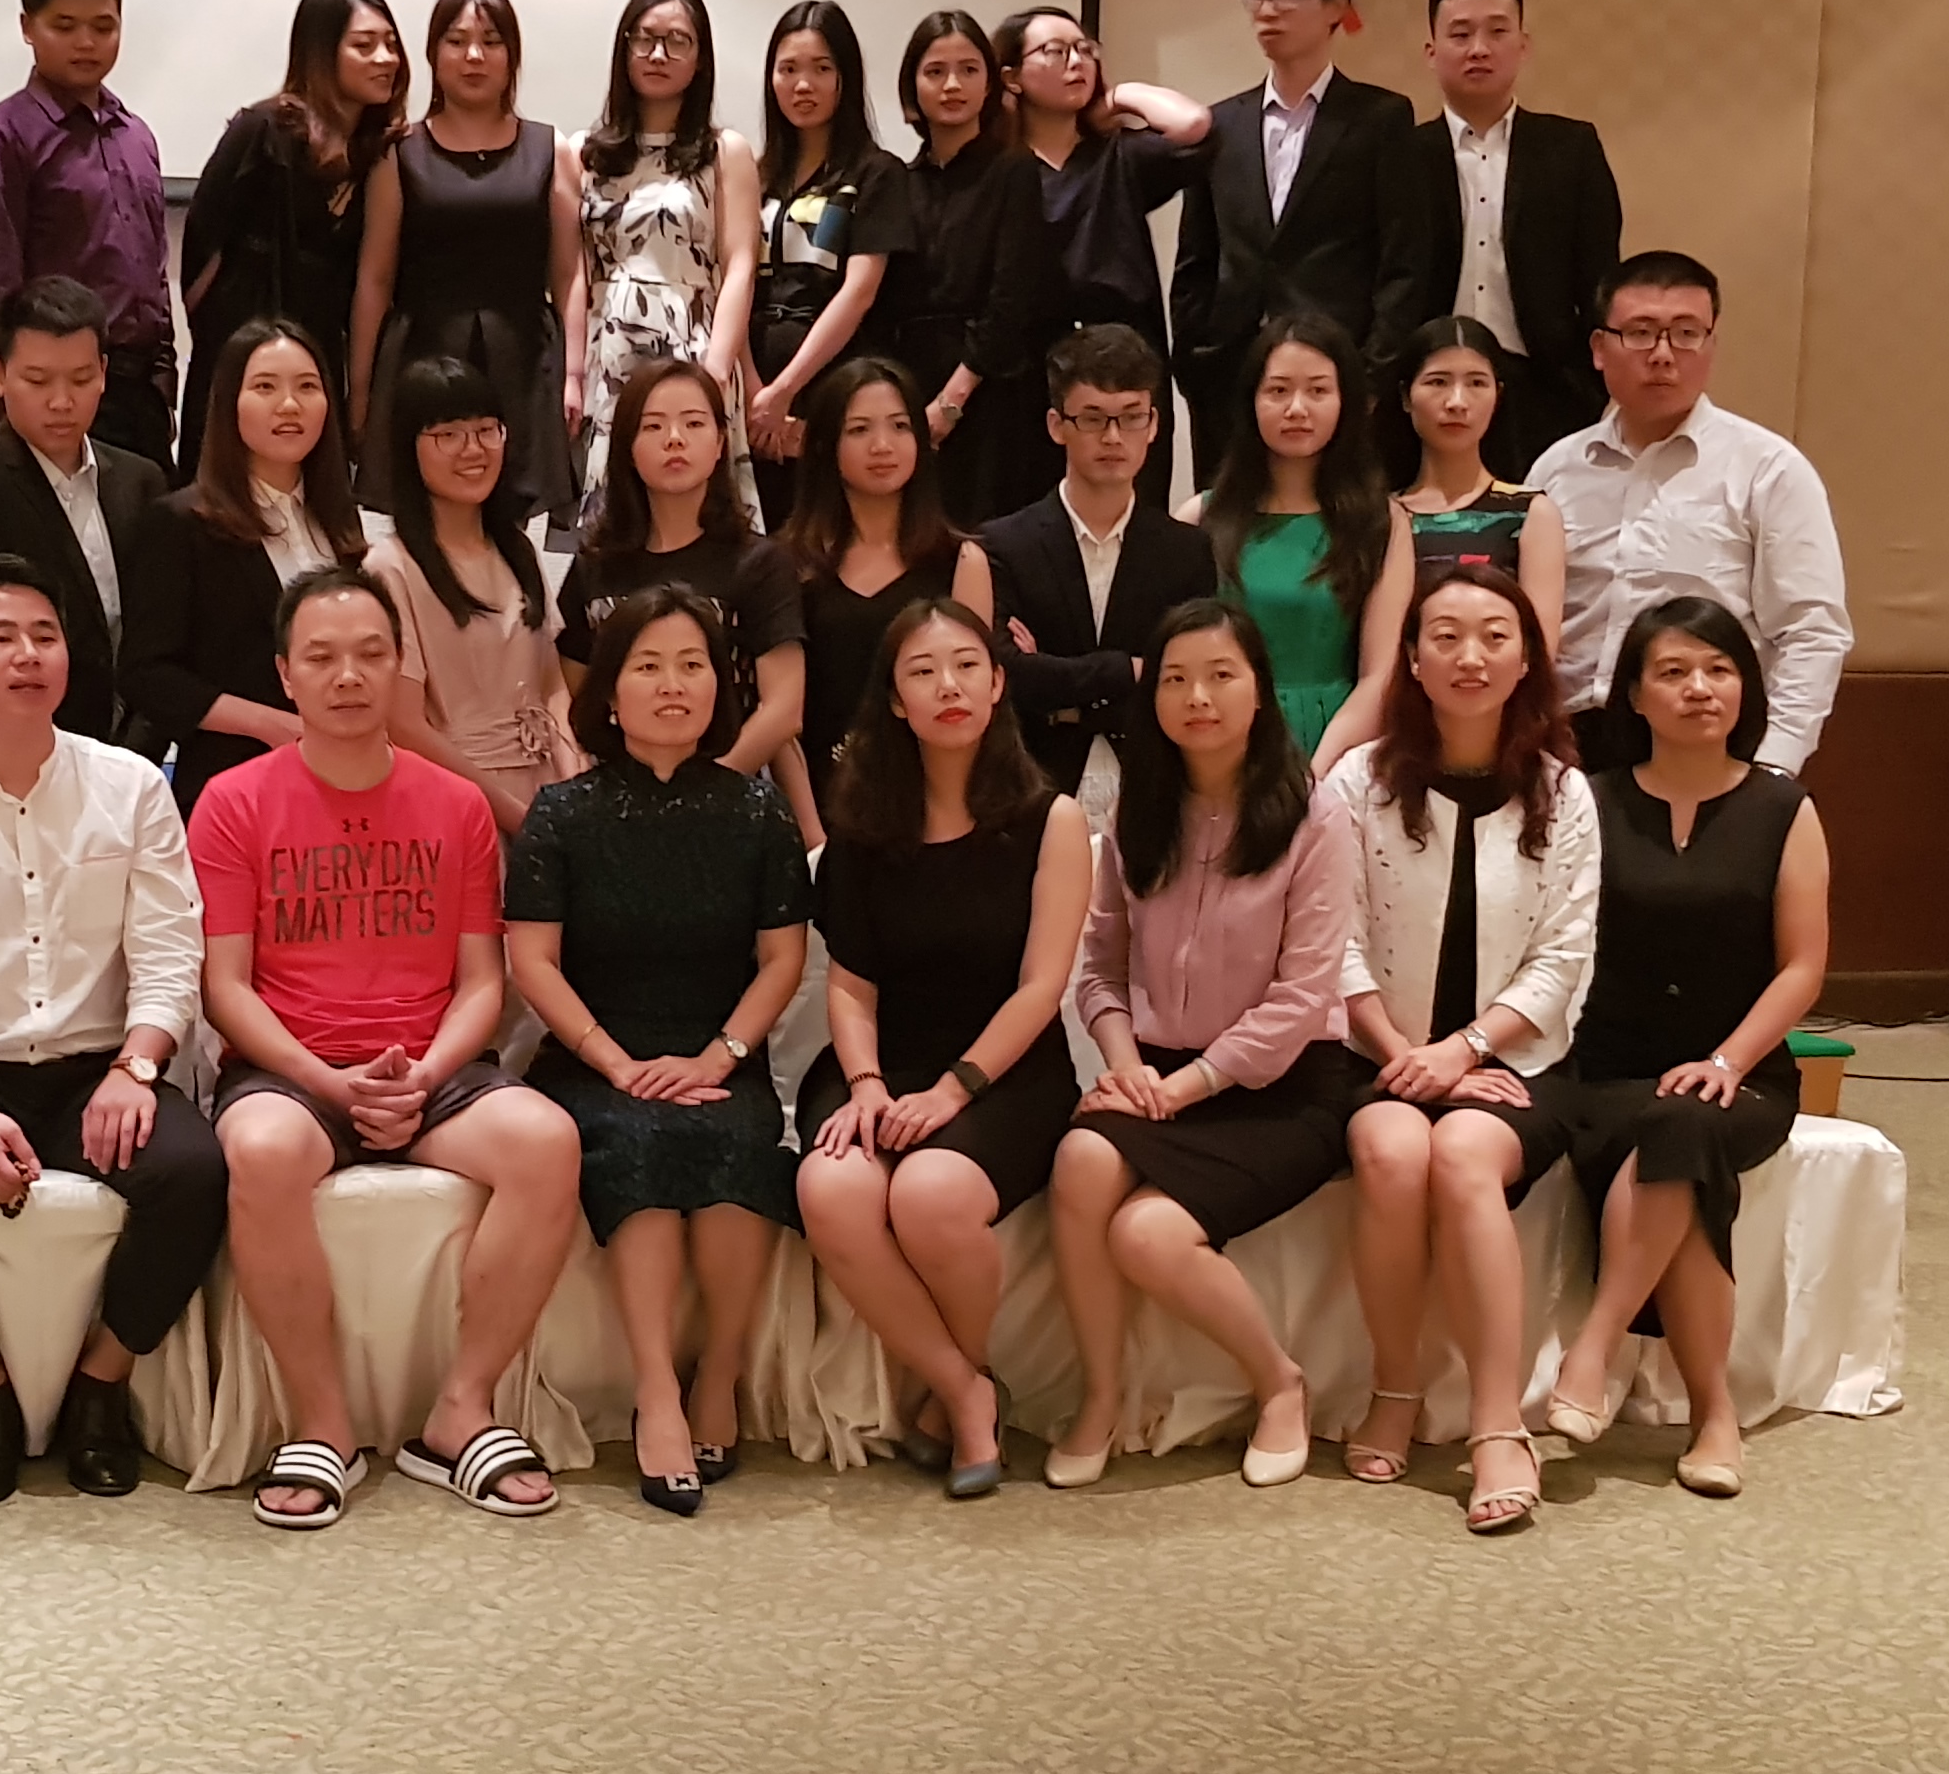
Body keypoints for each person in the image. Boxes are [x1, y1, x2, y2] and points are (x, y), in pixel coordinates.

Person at [193, 568, 583, 1530]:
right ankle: (322, 1424)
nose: (348, 677)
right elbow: (225, 986)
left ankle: (460, 1413)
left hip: (432, 1068)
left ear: (399, 665)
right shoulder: (233, 802)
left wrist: (428, 1073)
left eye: (371, 655)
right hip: (292, 1070)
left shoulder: (455, 804)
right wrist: (328, 1080)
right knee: (262, 1151)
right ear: (285, 674)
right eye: (322, 657)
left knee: (547, 1142)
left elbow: (484, 980)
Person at [0, 555, 228, 1506]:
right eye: (2, 638)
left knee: (192, 1173)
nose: (29, 656)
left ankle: (103, 1382)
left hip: (99, 1067)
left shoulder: (130, 786)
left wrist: (137, 1068)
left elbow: (170, 948)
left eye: (45, 637)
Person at [503, 585, 813, 1516]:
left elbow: (782, 959)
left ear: (720, 685)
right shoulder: (561, 812)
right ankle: (656, 1392)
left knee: (736, 1143)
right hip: (594, 1058)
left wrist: (719, 1057)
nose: (672, 685)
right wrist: (613, 1061)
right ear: (609, 689)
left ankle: (718, 1374)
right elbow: (533, 961)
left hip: (718, 1053)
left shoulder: (757, 811)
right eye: (648, 666)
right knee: (638, 1140)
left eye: (691, 666)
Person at [1044, 600, 1367, 1491]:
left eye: (1221, 676)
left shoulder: (1314, 814)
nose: (1198, 698)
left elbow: (1303, 999)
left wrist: (1180, 1089)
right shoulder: (1139, 814)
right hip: (1156, 1073)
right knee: (1079, 1160)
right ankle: (1101, 1396)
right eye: (1177, 679)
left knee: (1148, 1235)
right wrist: (1126, 1069)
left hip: (1283, 1088)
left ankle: (1280, 1384)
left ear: (1260, 691)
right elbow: (1100, 970)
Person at [797, 597, 1092, 1501]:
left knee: (930, 1194)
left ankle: (954, 1392)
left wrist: (954, 1091)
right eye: (922, 673)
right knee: (832, 1189)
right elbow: (850, 984)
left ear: (999, 683)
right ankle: (967, 1389)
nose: (948, 687)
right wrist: (866, 1083)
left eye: (967, 666)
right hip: (881, 1061)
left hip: (1005, 1070)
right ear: (895, 701)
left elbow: (1042, 988)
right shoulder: (860, 827)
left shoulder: (1051, 819)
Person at [1537, 598, 1831, 1500]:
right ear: (1634, 694)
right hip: (1606, 1066)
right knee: (1677, 1138)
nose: (1699, 688)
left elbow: (1803, 966)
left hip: (1741, 1072)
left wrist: (1729, 1060)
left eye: (1719, 669)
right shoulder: (1589, 800)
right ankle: (1715, 1416)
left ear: (1746, 688)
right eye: (1672, 672)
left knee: (1687, 1120)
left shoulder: (1784, 807)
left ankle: (1593, 1351)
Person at [1327, 564, 1598, 1537]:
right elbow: (1334, 939)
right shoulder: (1359, 781)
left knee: (1463, 1154)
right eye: (1444, 636)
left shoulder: (1564, 793)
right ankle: (1394, 1389)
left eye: (1494, 636)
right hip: (1380, 1052)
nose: (1469, 656)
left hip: (1518, 1062)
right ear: (1410, 657)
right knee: (1391, 1148)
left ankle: (1497, 1426)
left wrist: (1467, 1051)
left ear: (1526, 660)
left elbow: (1564, 956)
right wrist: (1406, 1052)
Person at [1533, 250, 1850, 771]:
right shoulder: (1557, 469)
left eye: (1686, 333)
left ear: (1711, 344)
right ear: (1599, 349)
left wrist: (1774, 766)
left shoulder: (1767, 469)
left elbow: (1812, 631)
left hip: (1710, 747)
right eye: (1640, 333)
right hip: (1568, 751)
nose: (1663, 354)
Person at [1170, 0, 1422, 491]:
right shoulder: (1221, 124)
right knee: (1227, 523)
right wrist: (1194, 362)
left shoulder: (1379, 120)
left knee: (1338, 519)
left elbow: (1403, 264)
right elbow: (1196, 260)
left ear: (1337, 6)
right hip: (1231, 374)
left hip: (1336, 377)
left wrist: (1370, 379)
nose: (1268, 10)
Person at [121, 317, 373, 815]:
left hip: (343, 776)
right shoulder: (180, 522)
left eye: (307, 387)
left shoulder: (340, 518)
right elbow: (146, 674)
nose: (289, 405)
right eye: (265, 387)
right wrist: (268, 724)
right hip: (234, 784)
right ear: (229, 402)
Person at [346, 0, 578, 516]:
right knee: (421, 525)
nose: (474, 56)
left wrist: (573, 375)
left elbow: (569, 275)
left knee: (512, 530)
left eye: (491, 41)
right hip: (420, 357)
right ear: (432, 54)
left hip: (525, 363)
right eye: (456, 40)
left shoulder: (552, 147)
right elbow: (375, 279)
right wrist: (360, 390)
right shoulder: (399, 151)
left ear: (512, 56)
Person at [0, 279, 167, 753]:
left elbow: (158, 631)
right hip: (21, 747)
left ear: (103, 372)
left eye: (81, 379)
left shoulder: (141, 480)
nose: (61, 401)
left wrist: (139, 743)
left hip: (135, 748)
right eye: (38, 380)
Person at [1378, 0, 1620, 470]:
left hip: (1545, 386)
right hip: (1421, 387)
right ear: (1431, 52)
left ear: (1523, 45)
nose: (1479, 49)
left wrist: (1593, 383)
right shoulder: (1399, 155)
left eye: (1497, 32)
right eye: (1460, 34)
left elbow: (1600, 278)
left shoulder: (1571, 148)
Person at [979, 325, 1215, 812]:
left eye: (1131, 417)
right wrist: (1128, 669)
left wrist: (1059, 682)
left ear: (1153, 424)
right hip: (1034, 788)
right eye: (1092, 418)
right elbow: (1006, 676)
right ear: (1056, 425)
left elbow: (1186, 677)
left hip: (1154, 790)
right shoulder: (1004, 544)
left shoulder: (1186, 550)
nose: (1113, 437)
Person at [0, 0, 174, 466]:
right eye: (65, 25)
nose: (86, 42)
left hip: (139, 389)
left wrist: (165, 383)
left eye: (103, 26)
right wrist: (10, 408)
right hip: (56, 393)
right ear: (27, 27)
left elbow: (154, 267)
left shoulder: (136, 135)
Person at [550, 355, 806, 785]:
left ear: (721, 442)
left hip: (732, 791)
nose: (674, 439)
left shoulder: (760, 563)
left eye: (693, 423)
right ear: (627, 449)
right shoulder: (595, 564)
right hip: (615, 795)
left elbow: (783, 710)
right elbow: (569, 694)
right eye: (652, 426)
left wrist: (696, 797)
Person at [994, 5, 1211, 507]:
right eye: (1055, 51)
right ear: (1011, 77)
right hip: (1031, 372)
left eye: (1085, 50)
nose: (1077, 62)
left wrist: (1117, 96)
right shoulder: (1001, 169)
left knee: (1132, 514)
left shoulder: (1120, 155)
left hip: (1126, 362)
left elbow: (1196, 125)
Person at [181, 0, 404, 465]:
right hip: (241, 351)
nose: (385, 58)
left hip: (321, 357)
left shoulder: (382, 153)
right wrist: (222, 343)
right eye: (364, 46)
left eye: (391, 44)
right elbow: (202, 245)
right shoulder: (263, 130)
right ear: (322, 52)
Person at [1331, 317, 1574, 755]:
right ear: (1406, 397)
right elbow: (1372, 665)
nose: (1457, 402)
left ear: (1498, 395)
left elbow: (1538, 656)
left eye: (1476, 383)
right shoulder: (1379, 516)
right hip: (1395, 736)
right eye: (1437, 382)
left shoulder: (1530, 513)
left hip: (1501, 737)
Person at [778, 355, 996, 840]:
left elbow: (976, 706)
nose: (882, 446)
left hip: (937, 814)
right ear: (827, 444)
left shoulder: (961, 561)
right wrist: (813, 837)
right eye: (859, 430)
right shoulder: (789, 565)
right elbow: (781, 717)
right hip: (820, 810)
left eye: (899, 426)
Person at [563, 0, 760, 511]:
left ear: (700, 58)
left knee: (698, 510)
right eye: (645, 38)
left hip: (694, 344)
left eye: (677, 41)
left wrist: (716, 370)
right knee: (619, 511)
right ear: (624, 47)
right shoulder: (583, 152)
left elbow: (739, 265)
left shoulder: (725, 151)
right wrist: (573, 373)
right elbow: (573, 273)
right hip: (609, 350)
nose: (658, 54)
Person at [363, 353, 568, 833]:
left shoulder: (517, 549)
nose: (473, 449)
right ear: (409, 447)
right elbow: (404, 726)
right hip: (457, 805)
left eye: (486, 430)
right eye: (448, 435)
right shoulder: (390, 568)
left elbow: (552, 684)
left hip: (546, 791)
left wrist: (571, 777)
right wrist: (515, 816)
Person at [740, 0, 915, 524]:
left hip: (834, 384)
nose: (803, 85)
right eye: (788, 69)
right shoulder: (754, 175)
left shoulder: (876, 173)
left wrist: (785, 390)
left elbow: (859, 292)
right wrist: (754, 394)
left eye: (820, 69)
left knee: (827, 532)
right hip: (754, 387)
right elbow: (735, 281)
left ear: (845, 79)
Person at [878, 6, 1054, 524]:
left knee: (983, 535)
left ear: (990, 84)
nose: (952, 85)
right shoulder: (900, 180)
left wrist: (952, 401)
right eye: (935, 71)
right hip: (912, 385)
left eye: (968, 70)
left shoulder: (1014, 169)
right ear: (912, 86)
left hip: (990, 388)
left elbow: (1011, 296)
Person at [1195, 311, 1393, 766]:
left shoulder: (1381, 521)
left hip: (1337, 749)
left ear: (1346, 401)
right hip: (1220, 742)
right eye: (1278, 391)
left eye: (1318, 391)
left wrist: (1317, 775)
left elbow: (1379, 676)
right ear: (1251, 400)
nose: (1297, 409)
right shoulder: (1202, 516)